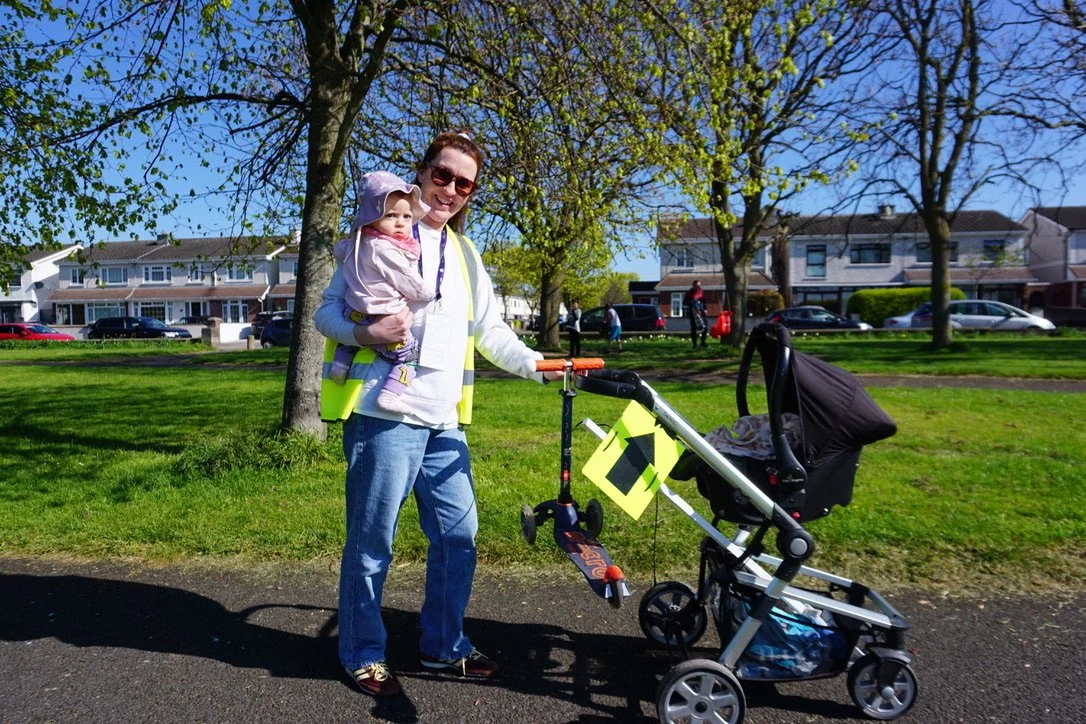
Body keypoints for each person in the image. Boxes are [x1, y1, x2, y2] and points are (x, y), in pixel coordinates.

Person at [314, 131, 562, 699]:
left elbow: (491, 331)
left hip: (443, 421)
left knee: (459, 535)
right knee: (372, 542)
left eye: (464, 184)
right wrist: (363, 333)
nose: (450, 189)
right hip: (383, 416)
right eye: (443, 175)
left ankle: (443, 646)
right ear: (422, 172)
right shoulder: (374, 236)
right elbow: (325, 313)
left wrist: (537, 365)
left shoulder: (467, 255)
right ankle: (361, 652)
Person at [329, 171, 433, 414]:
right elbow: (410, 283)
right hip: (382, 316)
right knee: (410, 357)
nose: (400, 223)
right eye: (391, 215)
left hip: (353, 312)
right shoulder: (386, 249)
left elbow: (339, 251)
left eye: (407, 216)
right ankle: (389, 394)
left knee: (350, 340)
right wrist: (430, 293)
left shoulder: (357, 242)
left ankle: (340, 366)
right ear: (372, 217)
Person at [684, 279, 709, 348]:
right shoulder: (689, 293)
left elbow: (704, 301)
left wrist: (705, 309)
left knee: (705, 327)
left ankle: (703, 343)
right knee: (694, 328)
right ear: (693, 285)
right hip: (693, 312)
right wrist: (692, 302)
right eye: (696, 286)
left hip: (701, 311)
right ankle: (695, 344)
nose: (698, 287)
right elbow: (684, 302)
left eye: (699, 286)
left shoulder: (701, 292)